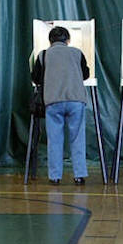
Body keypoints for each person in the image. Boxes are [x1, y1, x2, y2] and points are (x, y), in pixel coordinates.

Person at [31, 26, 91, 185]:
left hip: (53, 101)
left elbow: (36, 78)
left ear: (50, 41)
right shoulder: (77, 53)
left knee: (55, 140)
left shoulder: (43, 55)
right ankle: (79, 175)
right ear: (68, 40)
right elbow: (86, 74)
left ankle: (55, 177)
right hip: (76, 100)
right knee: (77, 138)